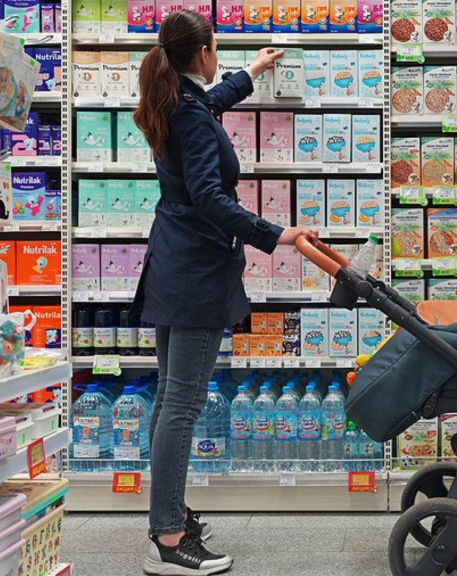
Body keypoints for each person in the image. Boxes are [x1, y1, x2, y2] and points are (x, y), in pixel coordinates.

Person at [131, 10, 317, 575]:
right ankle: (168, 537)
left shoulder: (176, 101)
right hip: (197, 273)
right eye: (219, 51)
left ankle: (168, 516)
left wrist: (251, 73)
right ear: (204, 53)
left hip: (174, 260)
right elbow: (212, 197)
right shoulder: (187, 112)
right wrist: (274, 234)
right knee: (182, 405)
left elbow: (207, 107)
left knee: (170, 400)